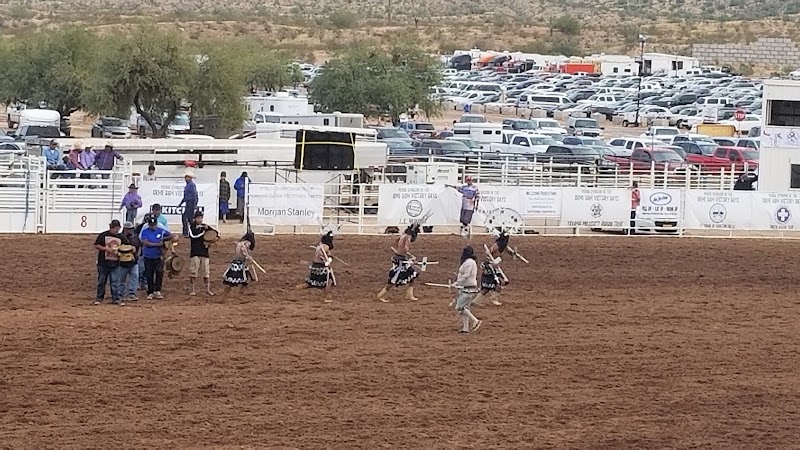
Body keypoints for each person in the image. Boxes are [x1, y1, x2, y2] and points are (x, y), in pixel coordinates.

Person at [377, 223, 420, 303]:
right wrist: (411, 256)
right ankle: (380, 295)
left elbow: (395, 244)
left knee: (413, 274)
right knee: (394, 279)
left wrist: (398, 251)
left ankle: (409, 294)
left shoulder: (403, 235)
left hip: (399, 258)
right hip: (400, 261)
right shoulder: (408, 237)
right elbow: (406, 249)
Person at [296, 227, 336, 303]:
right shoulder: (325, 247)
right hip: (321, 267)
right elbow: (324, 258)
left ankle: (298, 287)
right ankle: (326, 296)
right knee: (329, 281)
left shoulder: (319, 246)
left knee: (311, 282)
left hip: (315, 266)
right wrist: (329, 260)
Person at [93, 219, 127, 306]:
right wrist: (106, 249)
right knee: (101, 281)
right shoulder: (103, 235)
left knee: (115, 282)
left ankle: (115, 298)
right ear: (111, 227)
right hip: (103, 262)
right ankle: (99, 297)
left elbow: (126, 245)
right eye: (116, 228)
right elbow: (96, 245)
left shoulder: (121, 237)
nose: (117, 230)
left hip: (115, 263)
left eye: (118, 228)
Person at [140, 216, 174, 300]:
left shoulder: (161, 231)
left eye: (154, 225)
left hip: (159, 256)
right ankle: (150, 291)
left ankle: (157, 290)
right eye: (151, 225)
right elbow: (145, 242)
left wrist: (166, 241)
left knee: (159, 272)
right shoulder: (145, 231)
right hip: (148, 256)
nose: (153, 227)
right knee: (149, 274)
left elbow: (171, 236)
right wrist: (158, 244)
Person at [474, 228, 510, 307]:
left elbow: (507, 251)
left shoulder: (502, 246)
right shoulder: (496, 246)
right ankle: (491, 299)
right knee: (491, 286)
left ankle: (479, 300)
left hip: (494, 266)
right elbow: (489, 255)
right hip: (489, 266)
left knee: (491, 286)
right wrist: (492, 262)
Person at [453, 246, 482, 333]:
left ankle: (475, 320)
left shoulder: (469, 262)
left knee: (459, 307)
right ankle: (465, 328)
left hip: (468, 288)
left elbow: (466, 275)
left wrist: (457, 282)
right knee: (465, 309)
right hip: (466, 287)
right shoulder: (470, 262)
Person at [188, 210, 217, 296]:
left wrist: (212, 240)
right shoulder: (192, 227)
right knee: (193, 271)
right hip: (195, 253)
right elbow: (193, 235)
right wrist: (204, 232)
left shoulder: (205, 227)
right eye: (198, 218)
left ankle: (207, 289)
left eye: (201, 218)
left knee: (206, 272)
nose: (200, 220)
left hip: (204, 253)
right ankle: (192, 289)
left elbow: (215, 234)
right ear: (194, 218)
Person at [118, 222, 141, 302]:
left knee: (134, 277)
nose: (131, 230)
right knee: (122, 279)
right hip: (122, 262)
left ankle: (131, 294)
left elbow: (139, 247)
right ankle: (121, 294)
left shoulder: (135, 237)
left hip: (133, 261)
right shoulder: (120, 237)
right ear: (125, 229)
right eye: (129, 229)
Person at [179, 171, 198, 237]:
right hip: (189, 203)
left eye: (186, 177)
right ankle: (191, 232)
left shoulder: (191, 185)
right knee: (189, 219)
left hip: (191, 203)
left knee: (186, 218)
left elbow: (194, 195)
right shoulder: (189, 185)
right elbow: (187, 196)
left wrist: (194, 205)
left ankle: (187, 232)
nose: (185, 178)